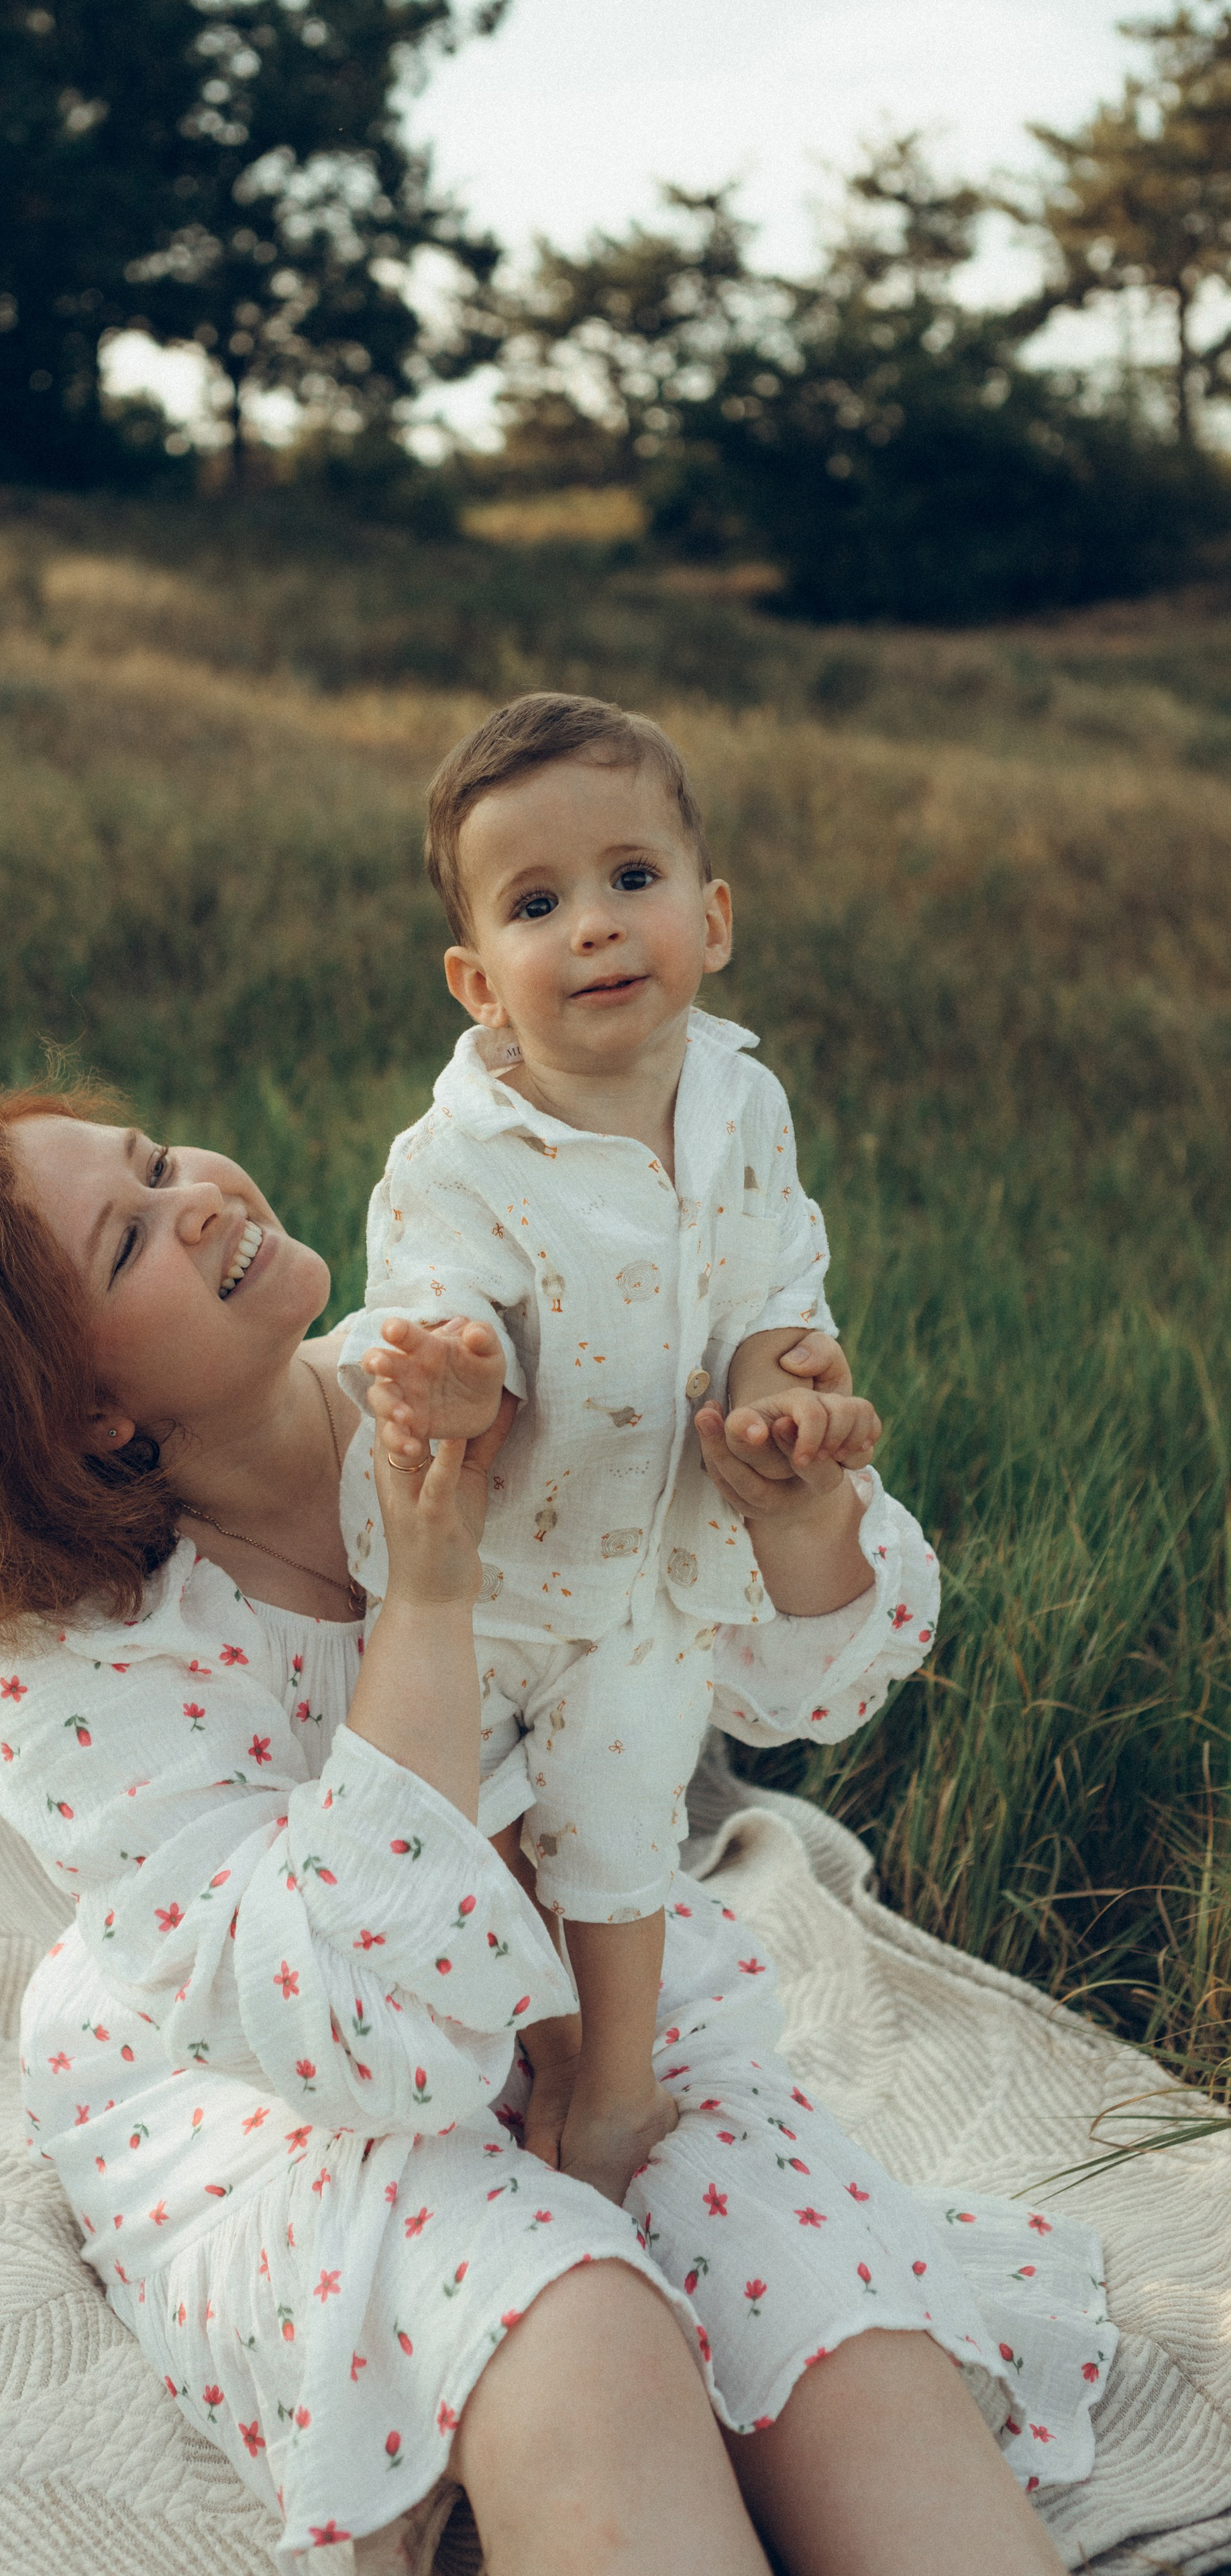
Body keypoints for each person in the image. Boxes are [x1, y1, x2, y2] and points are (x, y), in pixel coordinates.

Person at [0, 1089, 1110, 2575]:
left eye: (158, 1159)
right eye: (129, 1240)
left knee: (830, 2329)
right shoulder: (88, 1672)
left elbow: (781, 1680)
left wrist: (789, 1511)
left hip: (593, 2007)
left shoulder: (466, 1374)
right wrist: (425, 1605)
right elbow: (359, 2044)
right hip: (283, 2092)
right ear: (87, 1412)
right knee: (574, 2323)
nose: (197, 1197)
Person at [337, 690, 882, 2205]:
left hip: (651, 1563)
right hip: (495, 1572)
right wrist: (454, 1377)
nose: (593, 925)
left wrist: (787, 1391)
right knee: (489, 1830)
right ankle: (524, 2041)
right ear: (476, 981)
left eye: (630, 880)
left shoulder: (742, 1103)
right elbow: (439, 1313)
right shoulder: (457, 1155)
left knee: (627, 1811)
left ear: (710, 919)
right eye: (536, 902)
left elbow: (774, 1290)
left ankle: (614, 2085)